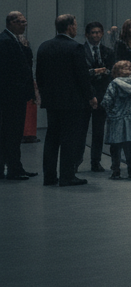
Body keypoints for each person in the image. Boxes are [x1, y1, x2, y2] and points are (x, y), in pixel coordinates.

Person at [36, 14, 97, 186]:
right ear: (70, 27)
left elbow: (39, 75)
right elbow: (82, 76)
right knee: (69, 139)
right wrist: (91, 96)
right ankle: (67, 175)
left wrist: (44, 94)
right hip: (72, 102)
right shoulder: (75, 48)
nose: (76, 28)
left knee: (52, 138)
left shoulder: (44, 46)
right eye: (75, 25)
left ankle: (49, 176)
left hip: (52, 101)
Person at [1, 10, 36, 180]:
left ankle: (15, 167)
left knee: (13, 134)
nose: (25, 24)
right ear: (12, 22)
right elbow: (12, 71)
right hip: (11, 97)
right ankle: (13, 169)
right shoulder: (6, 42)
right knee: (12, 134)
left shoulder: (13, 41)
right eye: (21, 21)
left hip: (13, 96)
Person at [102, 60, 131, 179]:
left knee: (116, 146)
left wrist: (111, 112)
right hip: (130, 117)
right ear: (118, 71)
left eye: (129, 66)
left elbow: (107, 101)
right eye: (124, 67)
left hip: (116, 118)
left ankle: (116, 170)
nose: (128, 68)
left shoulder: (114, 84)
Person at [81, 21, 114, 173]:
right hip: (85, 95)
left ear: (101, 34)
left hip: (101, 94)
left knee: (98, 131)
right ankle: (76, 160)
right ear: (87, 34)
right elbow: (79, 73)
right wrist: (94, 72)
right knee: (81, 130)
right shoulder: (80, 50)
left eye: (98, 32)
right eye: (93, 33)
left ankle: (96, 161)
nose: (95, 35)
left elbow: (112, 71)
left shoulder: (107, 51)